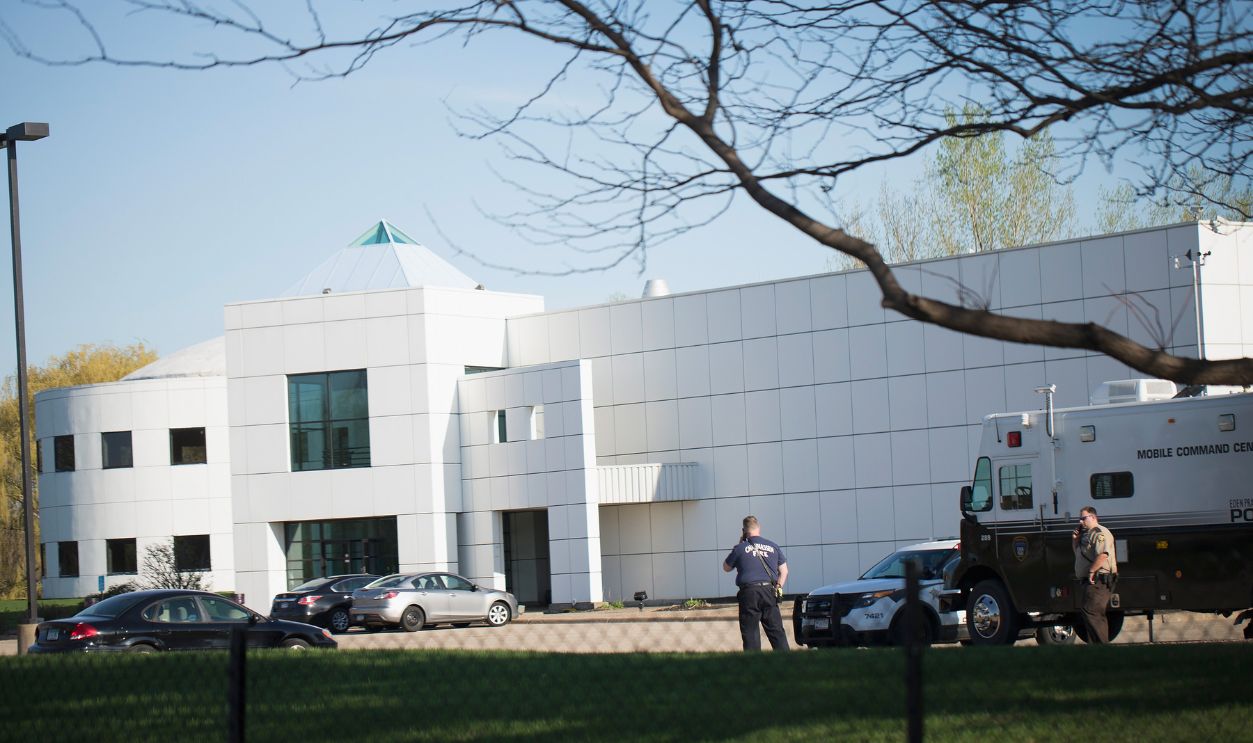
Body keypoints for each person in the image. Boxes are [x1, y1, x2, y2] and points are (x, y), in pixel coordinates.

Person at [722, 515, 790, 651]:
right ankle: (786, 661)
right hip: (769, 592)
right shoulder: (773, 546)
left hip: (749, 594)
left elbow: (726, 567)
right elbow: (784, 571)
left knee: (750, 633)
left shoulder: (740, 548)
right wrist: (778, 587)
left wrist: (740, 544)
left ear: (744, 530)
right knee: (776, 631)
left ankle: (754, 663)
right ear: (759, 528)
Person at [1072, 505, 1118, 644]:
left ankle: (1101, 646)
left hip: (1100, 579)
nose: (1080, 522)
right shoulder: (1086, 535)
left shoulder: (1099, 532)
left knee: (1091, 611)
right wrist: (1075, 540)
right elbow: (1079, 555)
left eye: (1083, 518)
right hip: (1090, 580)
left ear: (1093, 517)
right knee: (1089, 613)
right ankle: (1095, 646)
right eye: (1080, 519)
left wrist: (1092, 571)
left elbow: (1103, 554)